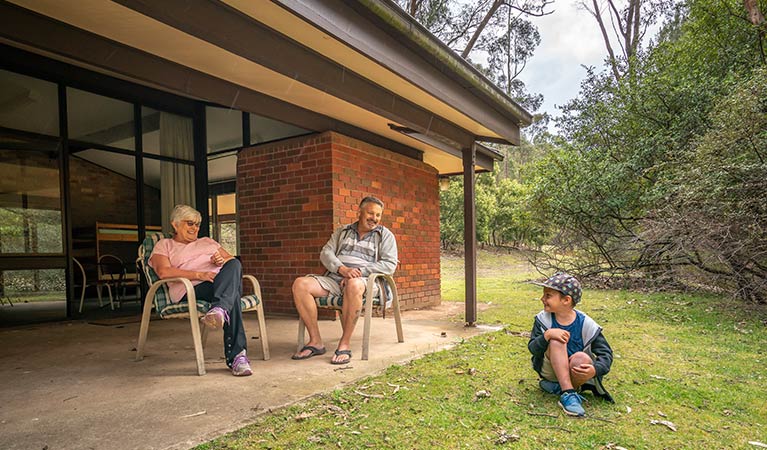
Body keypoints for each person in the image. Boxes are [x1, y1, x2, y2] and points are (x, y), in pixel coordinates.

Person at [291, 196, 398, 364]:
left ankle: (345, 343)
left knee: (353, 285)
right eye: (370, 213)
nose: (374, 219)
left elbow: (389, 265)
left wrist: (357, 273)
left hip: (366, 281)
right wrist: (342, 269)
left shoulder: (384, 235)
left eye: (378, 215)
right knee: (300, 284)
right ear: (359, 212)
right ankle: (316, 341)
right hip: (336, 278)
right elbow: (326, 253)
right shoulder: (342, 232)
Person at [149, 204, 252, 376]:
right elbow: (163, 272)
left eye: (197, 224)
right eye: (190, 223)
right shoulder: (165, 245)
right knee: (231, 296)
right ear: (175, 224)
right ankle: (238, 356)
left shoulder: (208, 242)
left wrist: (220, 260)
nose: (195, 228)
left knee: (234, 263)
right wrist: (199, 274)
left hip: (218, 285)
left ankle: (219, 309)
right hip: (190, 289)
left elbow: (231, 263)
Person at [527, 272, 614, 416]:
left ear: (566, 300)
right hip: (550, 370)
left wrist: (595, 370)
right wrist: (547, 335)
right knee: (556, 339)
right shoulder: (543, 320)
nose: (542, 299)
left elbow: (606, 354)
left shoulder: (587, 324)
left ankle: (562, 388)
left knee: (582, 358)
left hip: (575, 373)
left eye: (548, 296)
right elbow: (533, 349)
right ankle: (568, 394)